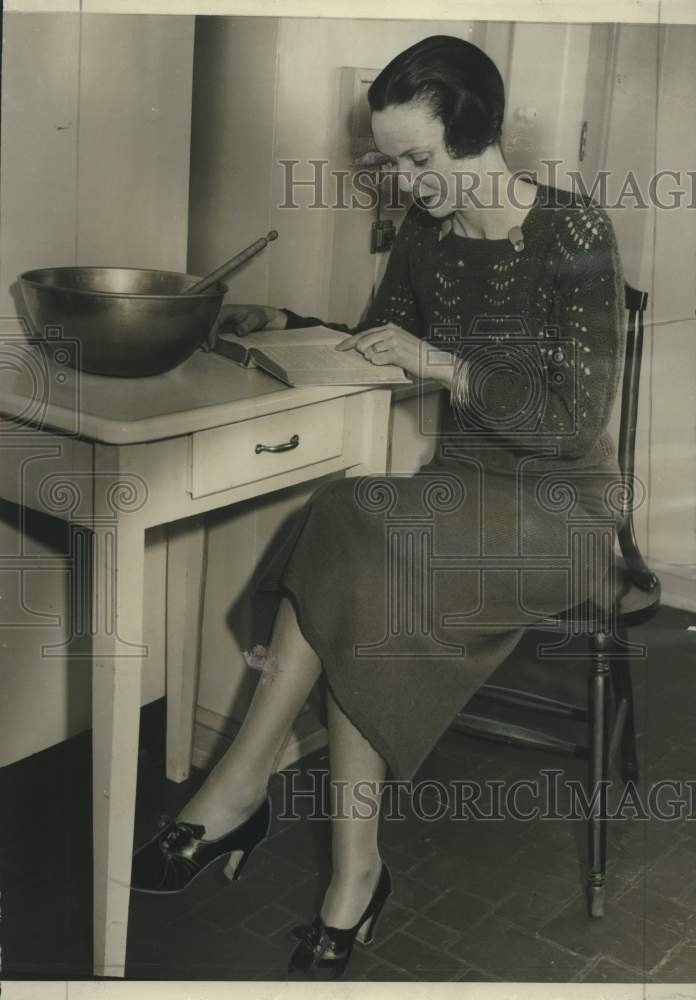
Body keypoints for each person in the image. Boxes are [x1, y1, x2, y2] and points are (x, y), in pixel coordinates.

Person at [131, 34, 626, 980]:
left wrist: (441, 363)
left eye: (418, 161)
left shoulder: (572, 232)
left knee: (355, 524)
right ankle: (352, 876)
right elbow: (373, 338)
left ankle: (239, 788)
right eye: (389, 163)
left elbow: (569, 425)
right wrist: (272, 321)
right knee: (364, 551)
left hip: (563, 510)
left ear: (478, 134)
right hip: (460, 494)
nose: (402, 185)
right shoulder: (427, 236)